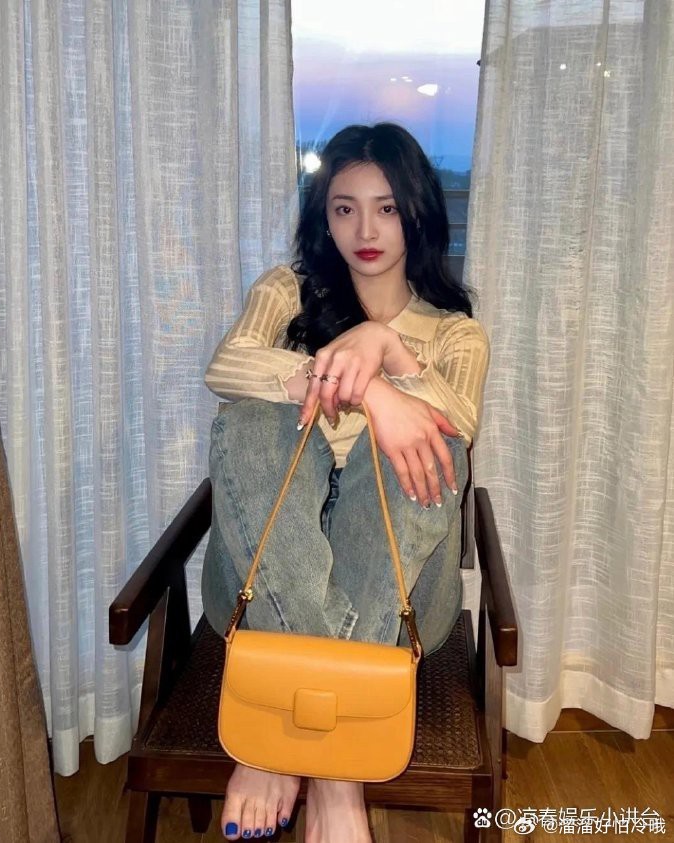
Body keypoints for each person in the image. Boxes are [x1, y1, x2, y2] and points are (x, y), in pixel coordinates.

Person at [201, 122, 489, 843]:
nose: (365, 229)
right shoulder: (286, 291)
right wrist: (368, 392)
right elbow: (226, 366)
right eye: (344, 207)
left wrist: (386, 348)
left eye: (386, 207)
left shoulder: (456, 334)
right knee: (253, 423)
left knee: (431, 445)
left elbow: (459, 426)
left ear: (416, 212)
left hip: (405, 591)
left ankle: (279, 738)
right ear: (323, 218)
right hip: (257, 575)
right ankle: (339, 772)